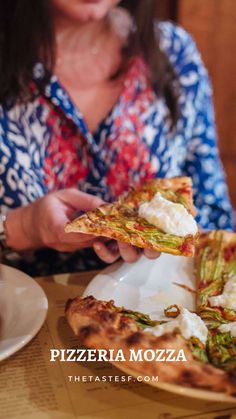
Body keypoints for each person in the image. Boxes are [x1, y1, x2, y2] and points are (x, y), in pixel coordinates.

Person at [0, 0, 233, 276]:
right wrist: (22, 227)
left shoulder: (172, 51)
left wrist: (174, 231)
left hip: (156, 310)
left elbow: (216, 216)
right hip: (21, 310)